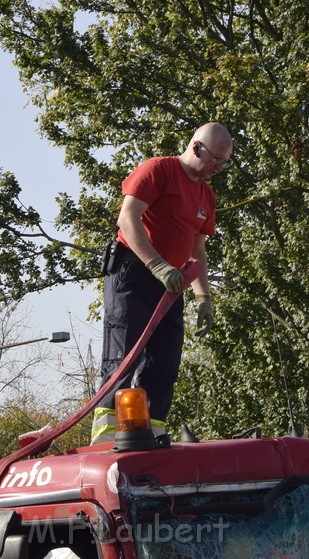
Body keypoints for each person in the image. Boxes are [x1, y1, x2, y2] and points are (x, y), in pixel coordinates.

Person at [90, 122, 233, 445]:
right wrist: (156, 264)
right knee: (123, 353)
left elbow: (198, 251)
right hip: (134, 273)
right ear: (197, 147)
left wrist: (203, 298)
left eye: (224, 163)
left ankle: (150, 433)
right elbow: (128, 217)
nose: (219, 168)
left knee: (165, 359)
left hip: (170, 286)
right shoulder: (159, 170)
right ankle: (107, 437)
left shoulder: (206, 197)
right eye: (216, 160)